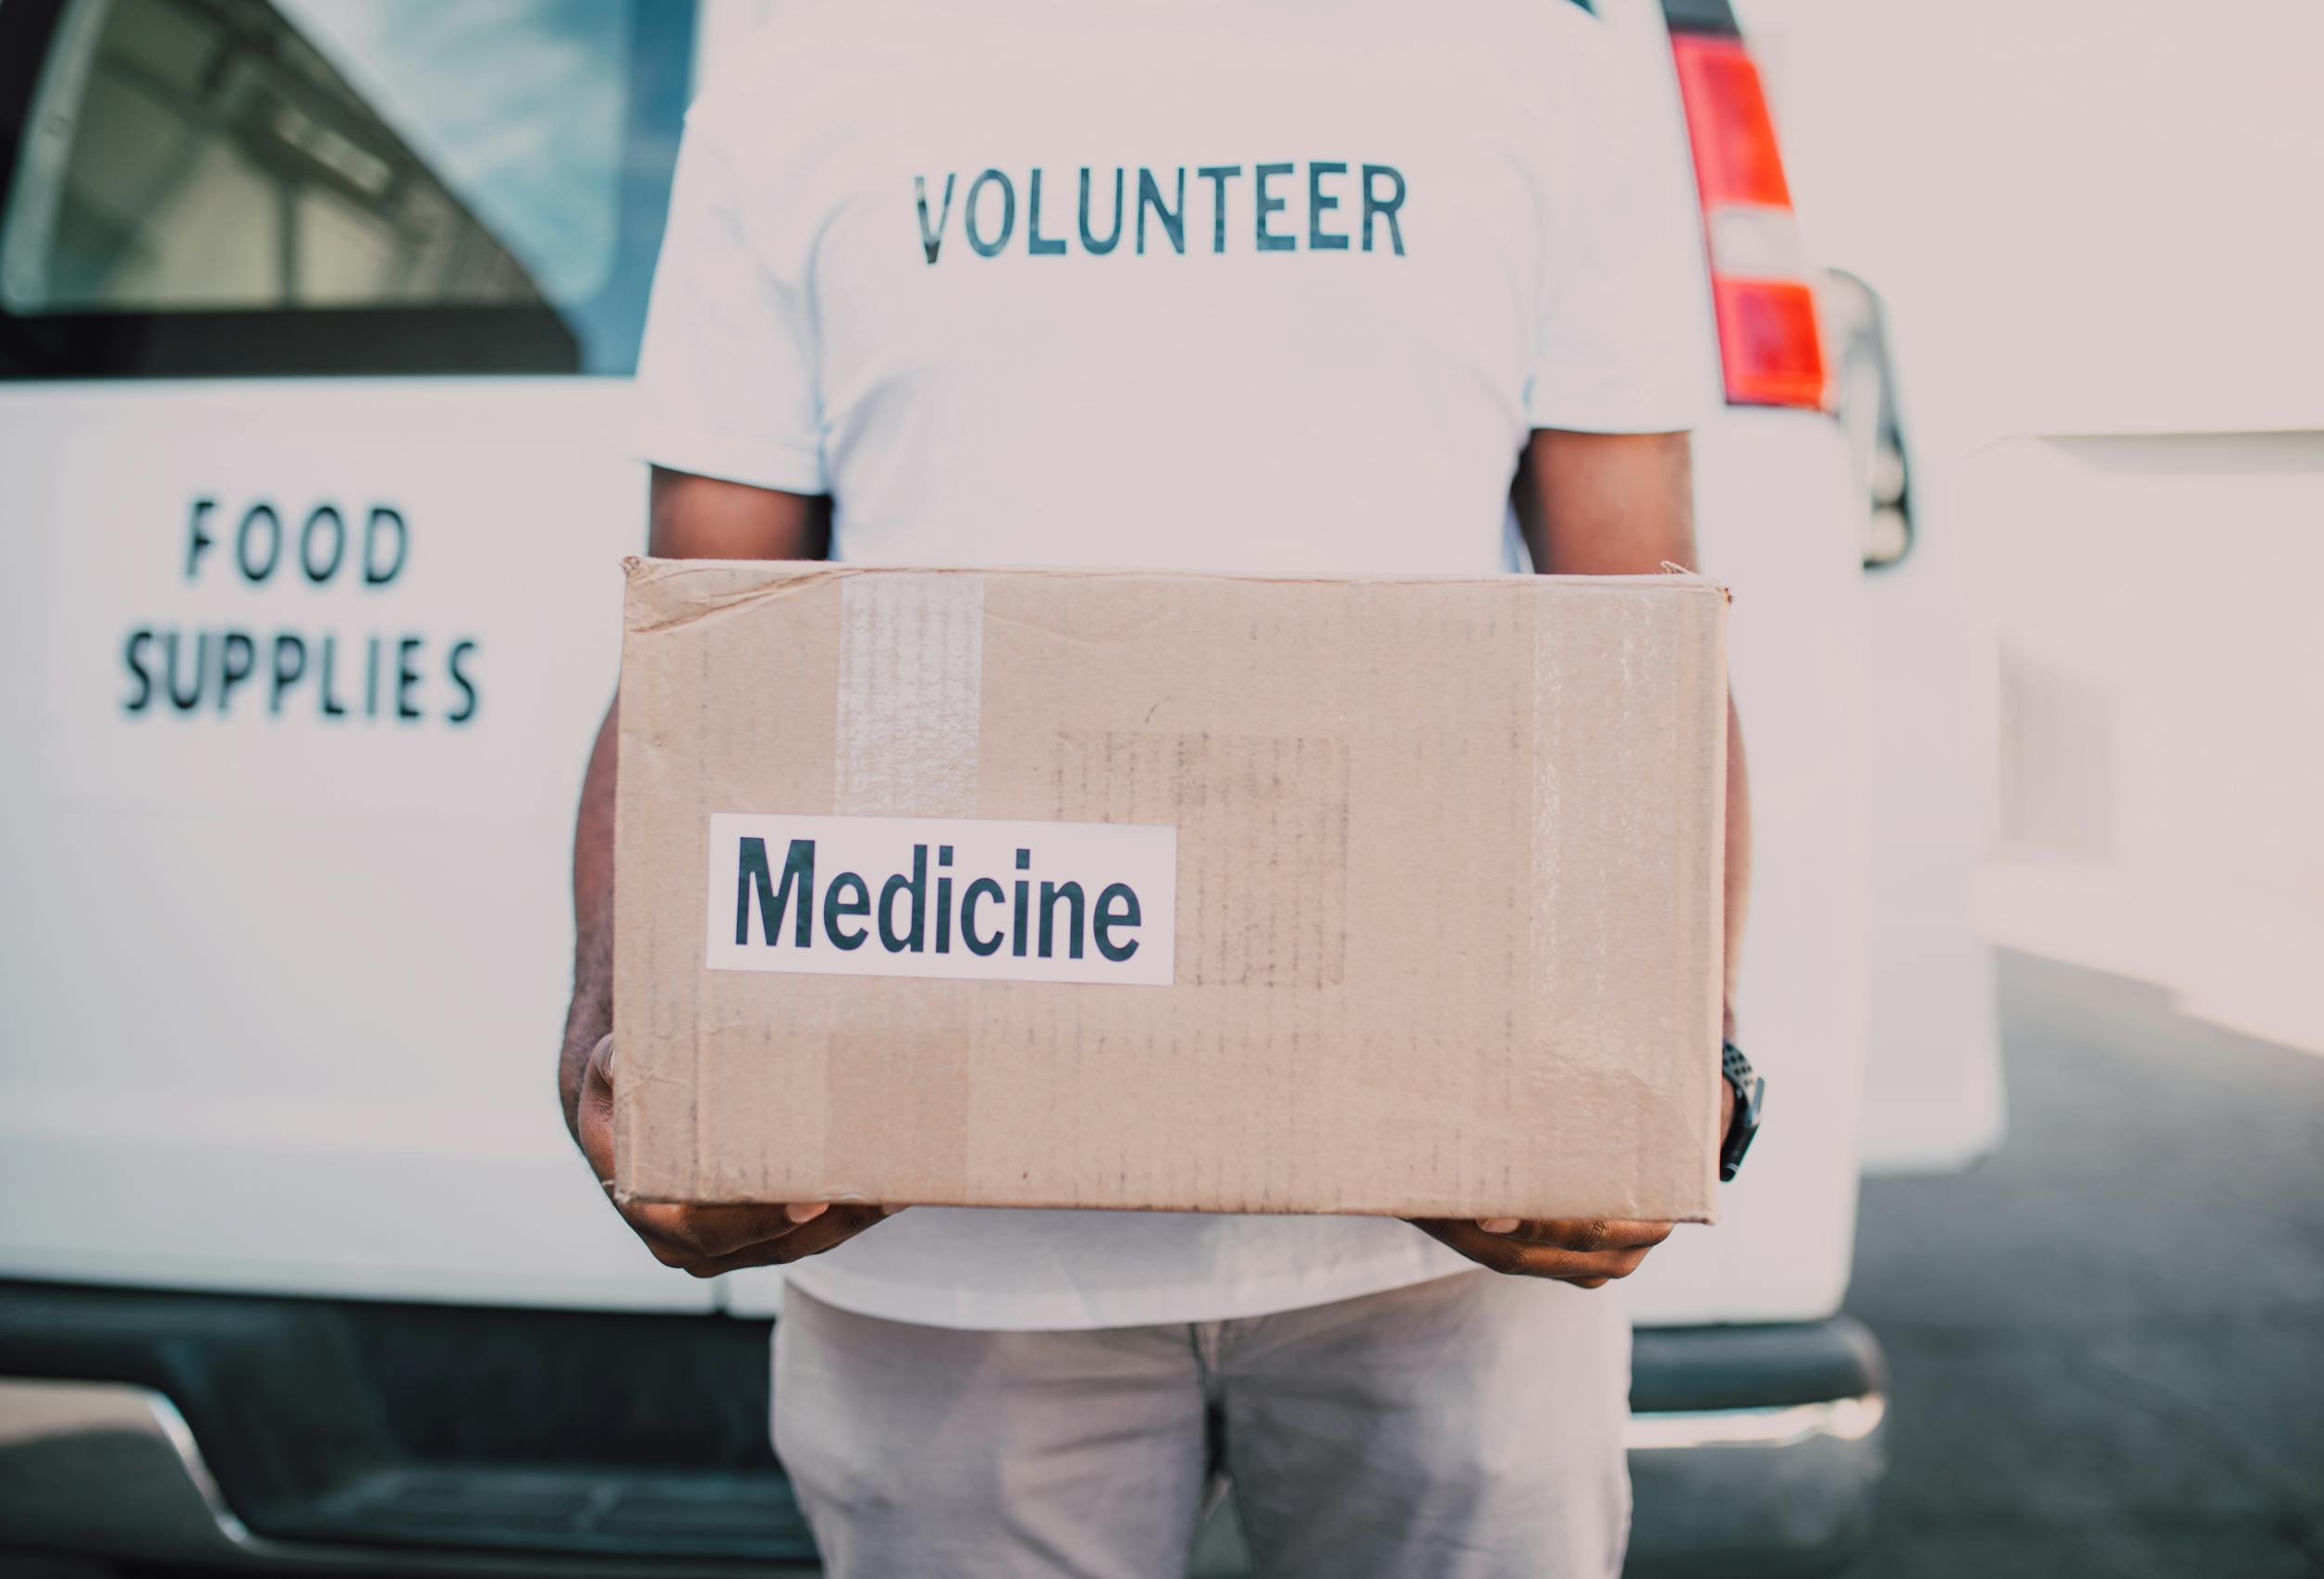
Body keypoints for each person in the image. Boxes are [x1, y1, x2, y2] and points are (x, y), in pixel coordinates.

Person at [559, 3, 1754, 1573]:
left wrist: (1682, 1075)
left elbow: (1638, 635)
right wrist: (615, 1034)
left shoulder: (1539, 57)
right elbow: (704, 645)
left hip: (1441, 1231)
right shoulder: (811, 72)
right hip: (932, 1227)